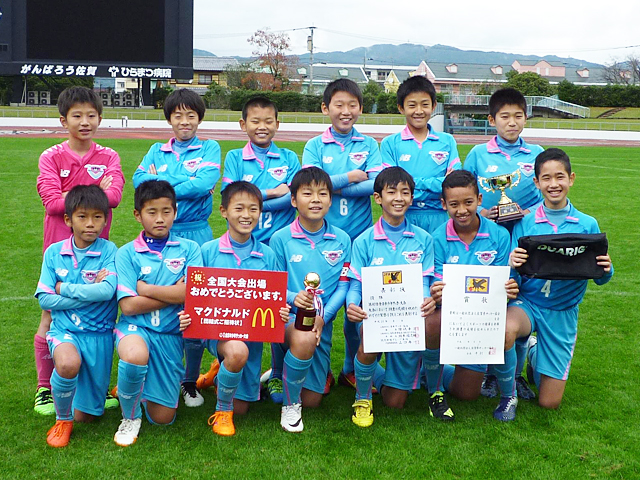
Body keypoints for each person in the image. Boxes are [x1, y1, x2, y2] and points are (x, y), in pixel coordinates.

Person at [35, 86, 124, 415]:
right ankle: (45, 387)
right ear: (63, 120)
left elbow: (112, 198)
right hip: (59, 246)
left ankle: (93, 388)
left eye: (91, 115)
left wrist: (77, 195)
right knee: (50, 317)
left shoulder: (109, 156)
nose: (85, 121)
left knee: (97, 314)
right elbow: (53, 203)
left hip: (96, 249)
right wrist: (91, 193)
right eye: (77, 116)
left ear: (99, 118)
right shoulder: (51, 156)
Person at [505, 148, 613, 416]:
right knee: (506, 329)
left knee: (548, 402)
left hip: (562, 312)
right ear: (536, 182)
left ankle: (532, 352)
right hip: (528, 304)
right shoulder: (525, 223)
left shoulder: (587, 225)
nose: (554, 184)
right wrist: (511, 265)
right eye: (546, 178)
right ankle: (509, 392)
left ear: (571, 179)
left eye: (560, 177)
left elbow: (600, 277)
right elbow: (513, 275)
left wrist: (607, 269)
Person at [132, 88, 220, 408]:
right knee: (160, 302)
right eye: (178, 115)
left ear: (199, 118)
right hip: (162, 235)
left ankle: (189, 379)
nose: (184, 121)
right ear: (169, 118)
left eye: (191, 115)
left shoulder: (210, 147)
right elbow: (140, 184)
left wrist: (165, 184)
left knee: (194, 308)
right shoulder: (157, 149)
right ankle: (154, 374)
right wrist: (187, 180)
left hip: (196, 233)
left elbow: (205, 182)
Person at [179, 181, 279, 437]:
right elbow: (194, 294)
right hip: (215, 333)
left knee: (244, 405)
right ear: (223, 211)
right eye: (239, 208)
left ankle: (217, 371)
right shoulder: (207, 251)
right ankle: (223, 411)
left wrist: (281, 311)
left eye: (253, 209)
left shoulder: (267, 254)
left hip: (251, 334)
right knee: (236, 351)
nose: (246, 215)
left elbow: (274, 296)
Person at [301, 78, 382, 394]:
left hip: (360, 240)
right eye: (339, 104)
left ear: (360, 109)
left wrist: (330, 183)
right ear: (325, 108)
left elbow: (375, 185)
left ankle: (350, 367)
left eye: (352, 105)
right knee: (318, 301)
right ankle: (317, 369)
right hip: (324, 239)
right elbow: (309, 185)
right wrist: (350, 176)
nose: (345, 111)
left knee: (355, 308)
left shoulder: (369, 144)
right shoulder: (315, 145)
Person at [463, 87, 544, 398]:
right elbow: (464, 191)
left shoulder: (535, 153)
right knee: (492, 298)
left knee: (520, 298)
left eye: (518, 116)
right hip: (490, 237)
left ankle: (517, 371)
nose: (512, 122)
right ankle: (489, 372)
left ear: (526, 118)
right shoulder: (478, 154)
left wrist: (526, 212)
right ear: (491, 120)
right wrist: (483, 211)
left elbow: (544, 196)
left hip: (527, 236)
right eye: (505, 117)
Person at [425, 170, 520, 421]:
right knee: (432, 322)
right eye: (454, 204)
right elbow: (436, 280)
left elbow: (504, 278)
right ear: (444, 204)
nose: (462, 210)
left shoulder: (499, 235)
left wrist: (508, 289)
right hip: (451, 313)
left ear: (479, 199)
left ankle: (509, 395)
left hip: (484, 315)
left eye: (468, 202)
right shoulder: (436, 238)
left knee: (466, 394)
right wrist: (436, 291)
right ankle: (434, 384)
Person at [113, 180, 202, 447]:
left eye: (167, 211)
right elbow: (128, 306)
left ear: (176, 212)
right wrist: (173, 293)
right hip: (135, 328)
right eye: (152, 212)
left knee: (163, 418)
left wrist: (146, 289)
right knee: (135, 356)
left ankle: (133, 387)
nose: (160, 219)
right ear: (138, 215)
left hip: (170, 335)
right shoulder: (126, 253)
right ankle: (129, 416)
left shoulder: (190, 249)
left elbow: (192, 293)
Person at [345, 167, 437, 427]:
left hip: (409, 320)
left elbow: (425, 281)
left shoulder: (424, 240)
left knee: (395, 402)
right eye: (392, 192)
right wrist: (352, 305)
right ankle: (362, 397)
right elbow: (356, 285)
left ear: (412, 198)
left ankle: (414, 374)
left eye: (405, 192)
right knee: (369, 338)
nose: (399, 198)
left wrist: (426, 300)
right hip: (375, 316)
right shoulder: (363, 241)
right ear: (378, 198)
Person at [35, 185, 118, 447]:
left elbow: (107, 291)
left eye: (97, 217)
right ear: (68, 219)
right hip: (65, 331)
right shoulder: (54, 252)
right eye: (82, 217)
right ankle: (61, 420)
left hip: (99, 335)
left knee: (88, 417)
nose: (90, 224)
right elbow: (45, 298)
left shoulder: (109, 251)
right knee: (68, 364)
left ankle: (81, 403)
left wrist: (65, 289)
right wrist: (88, 293)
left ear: (105, 219)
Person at [271, 167, 352, 432]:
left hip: (321, 324)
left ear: (331, 200)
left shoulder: (342, 239)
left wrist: (323, 317)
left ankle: (287, 370)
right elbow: (275, 286)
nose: (315, 199)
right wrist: (295, 299)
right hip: (288, 322)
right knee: (302, 336)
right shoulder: (280, 239)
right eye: (307, 193)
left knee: (314, 400)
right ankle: (290, 406)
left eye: (322, 193)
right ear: (294, 200)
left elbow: (342, 288)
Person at [380, 75, 461, 234]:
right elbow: (391, 187)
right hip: (403, 217)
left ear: (433, 106)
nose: (419, 111)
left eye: (424, 104)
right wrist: (438, 183)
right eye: (412, 105)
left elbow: (453, 185)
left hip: (440, 218)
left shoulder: (447, 141)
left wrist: (410, 184)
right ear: (401, 108)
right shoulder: (389, 144)